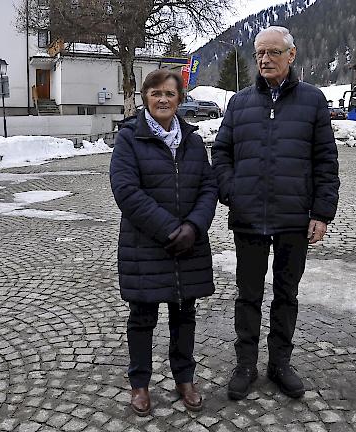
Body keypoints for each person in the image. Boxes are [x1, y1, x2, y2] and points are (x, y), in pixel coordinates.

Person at [211, 26, 340, 400]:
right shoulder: (239, 103)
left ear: (291, 55)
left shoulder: (313, 101)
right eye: (259, 53)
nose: (264, 59)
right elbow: (221, 153)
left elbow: (325, 161)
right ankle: (246, 364)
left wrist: (322, 212)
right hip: (249, 217)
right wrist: (232, 191)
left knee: (286, 294)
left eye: (272, 52)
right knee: (247, 295)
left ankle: (280, 363)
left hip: (293, 218)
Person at [110, 69, 218, 416]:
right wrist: (171, 229)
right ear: (145, 98)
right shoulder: (130, 138)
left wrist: (194, 227)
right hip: (146, 245)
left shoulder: (193, 140)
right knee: (142, 317)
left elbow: (208, 187)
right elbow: (126, 191)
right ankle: (139, 384)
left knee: (185, 315)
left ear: (179, 99)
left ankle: (184, 378)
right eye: (155, 93)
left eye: (169, 94)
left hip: (189, 245)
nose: (162, 99)